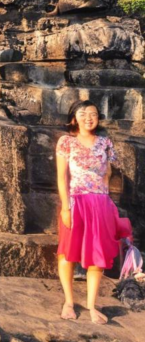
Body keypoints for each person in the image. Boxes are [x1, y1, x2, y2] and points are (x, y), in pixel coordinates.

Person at [56, 100, 132, 324]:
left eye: (93, 114)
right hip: (75, 201)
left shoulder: (105, 143)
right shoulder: (66, 142)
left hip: (100, 203)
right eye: (83, 113)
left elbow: (107, 174)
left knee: (97, 256)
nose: (88, 117)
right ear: (74, 118)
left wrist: (109, 203)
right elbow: (62, 177)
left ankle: (91, 305)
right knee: (67, 252)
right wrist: (65, 207)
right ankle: (69, 301)